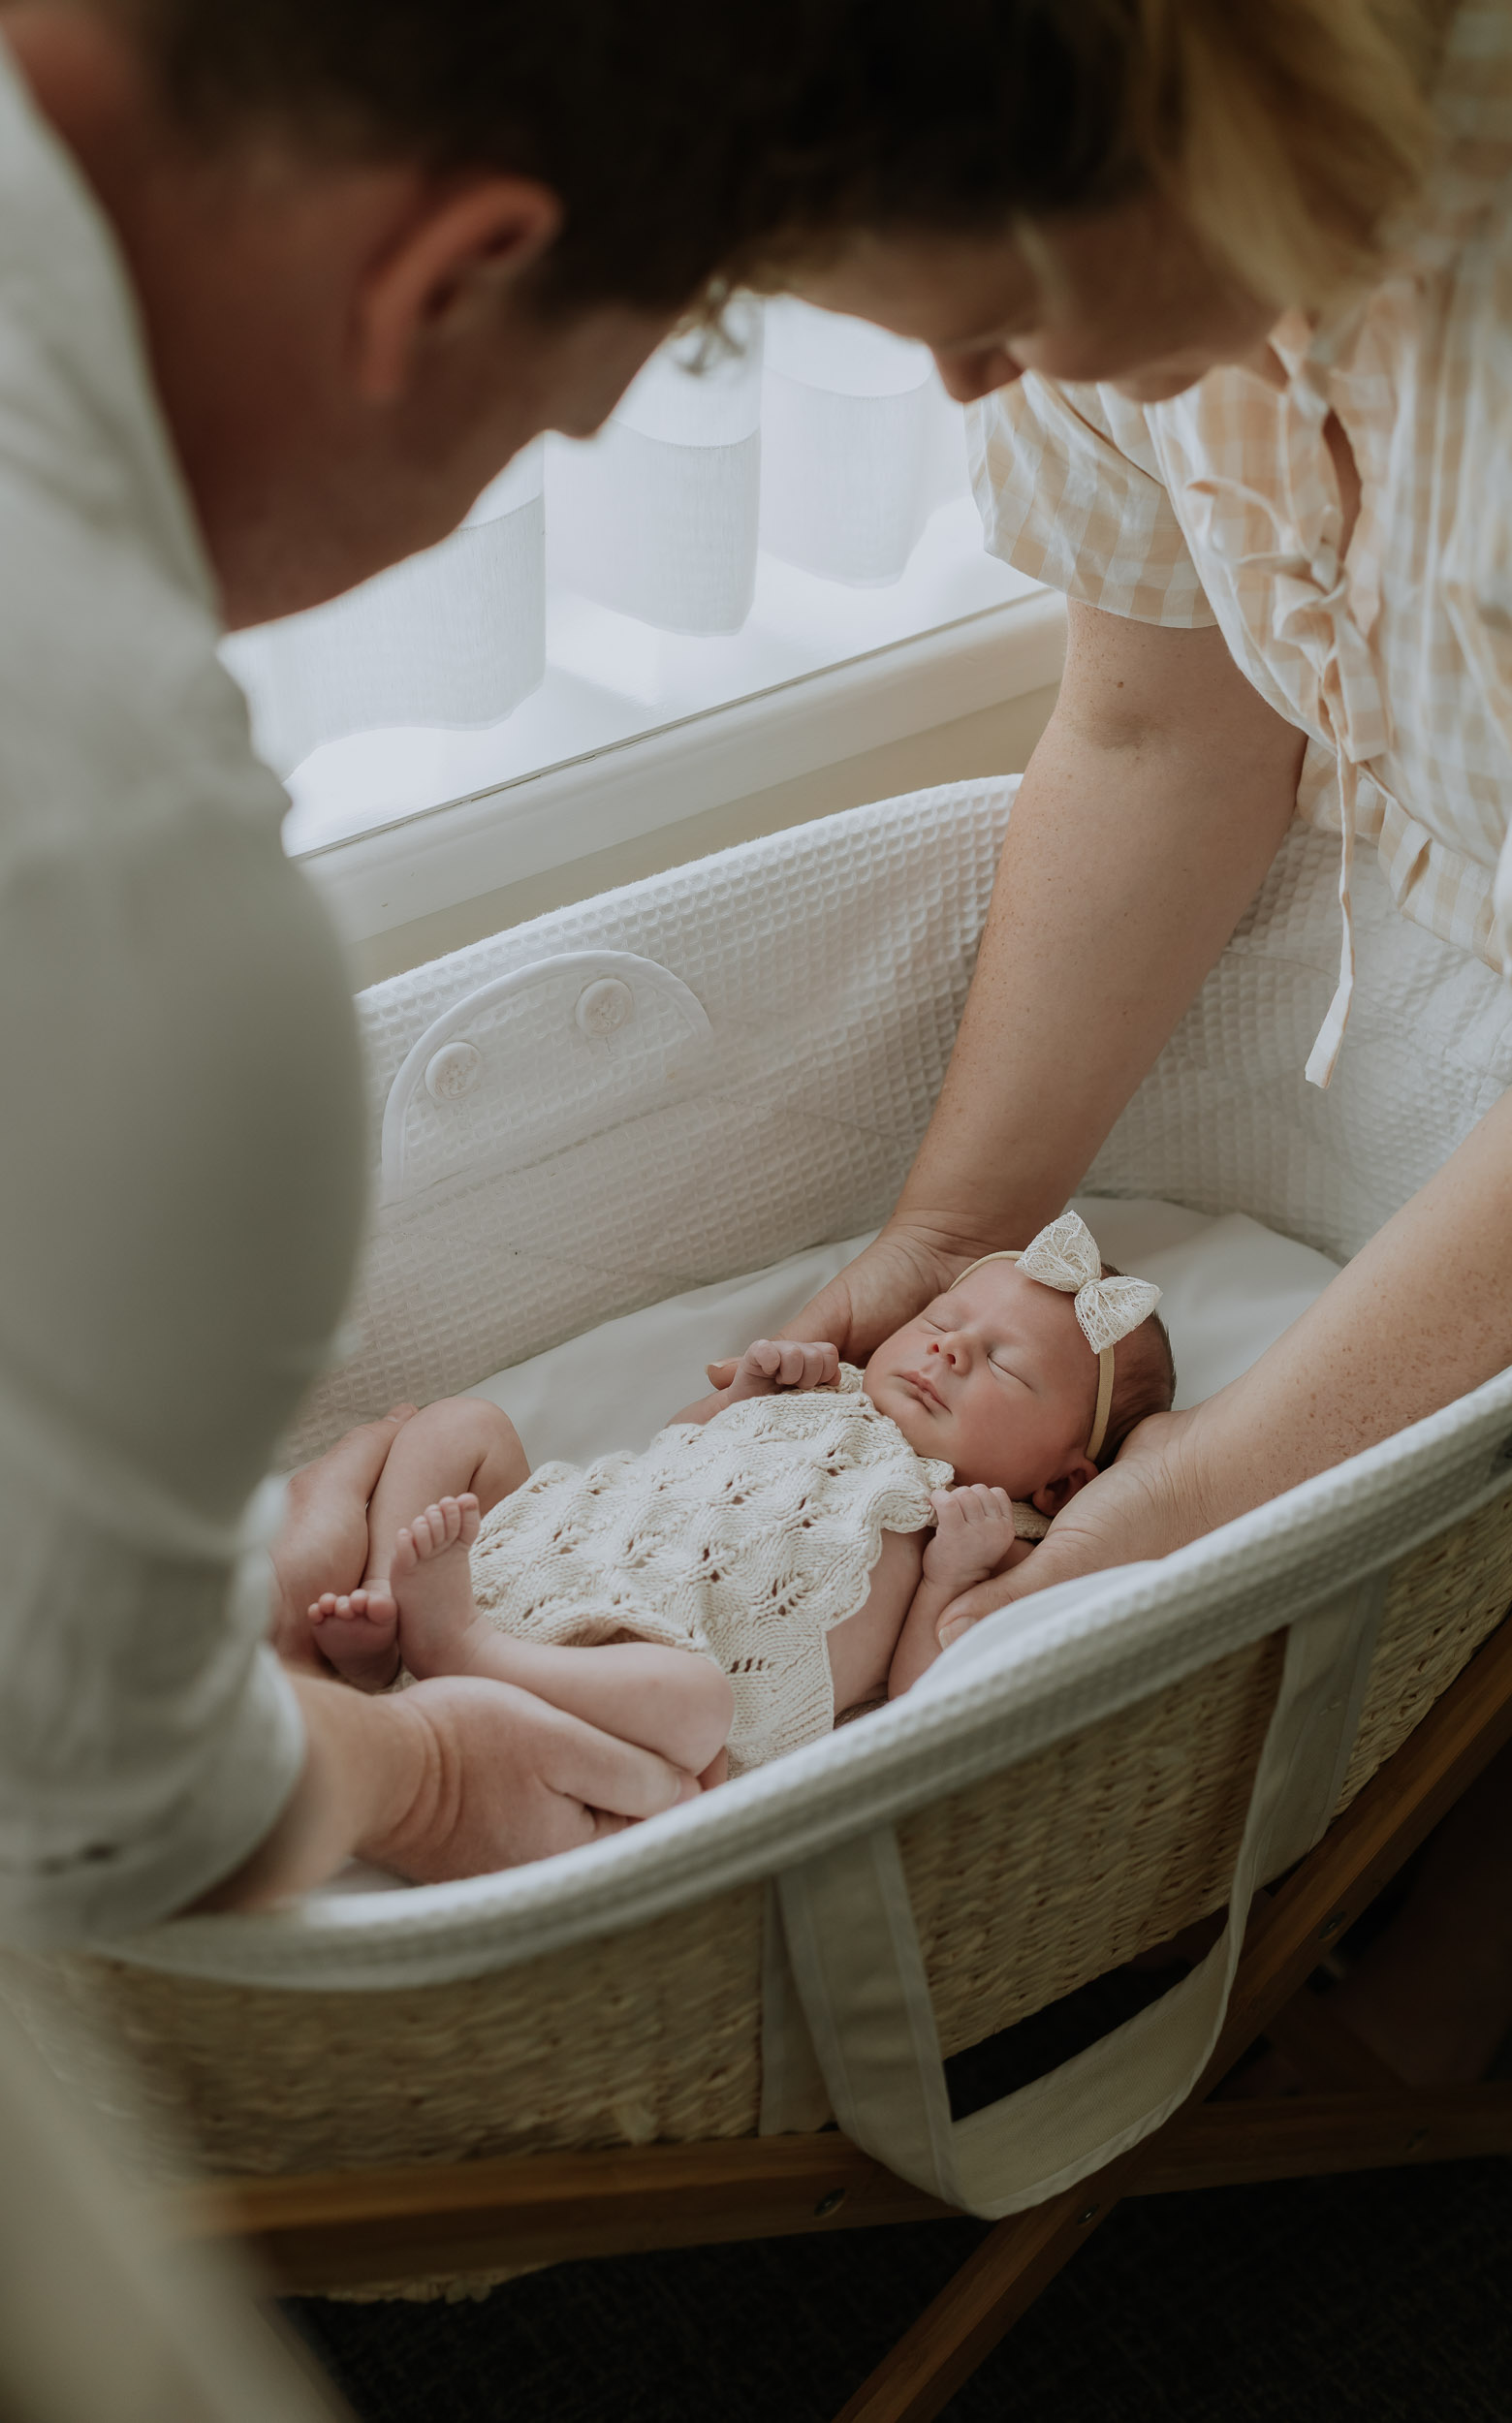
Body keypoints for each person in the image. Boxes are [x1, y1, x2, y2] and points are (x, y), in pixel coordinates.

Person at [689, 0, 1512, 2081]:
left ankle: (1505, 1883)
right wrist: (953, 1221)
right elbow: (1156, 718)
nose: (959, 378)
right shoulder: (1138, 275)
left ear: (1189, 126)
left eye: (987, 296)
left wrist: (1200, 1496)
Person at [0, 0, 879, 1945]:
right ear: (456, 279)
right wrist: (434, 1763)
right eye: (537, 434)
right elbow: (88, 1803)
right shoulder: (143, 903)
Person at [278, 1215, 1174, 1791]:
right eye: (942, 1324)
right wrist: (744, 1392)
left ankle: (454, 1648)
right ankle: (389, 1619)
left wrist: (948, 1576)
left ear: (1057, 1483)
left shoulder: (993, 1538)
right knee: (457, 1426)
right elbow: (681, 1444)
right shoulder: (829, 1386)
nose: (947, 1353)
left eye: (1003, 1368)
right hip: (550, 1546)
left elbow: (921, 1701)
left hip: (633, 1662)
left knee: (687, 1695)